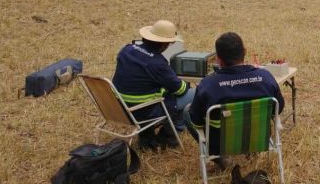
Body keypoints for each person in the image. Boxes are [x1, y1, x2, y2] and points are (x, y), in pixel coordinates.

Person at [185, 32, 285, 166]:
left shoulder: (208, 84)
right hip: (259, 139)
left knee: (187, 111)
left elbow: (196, 121)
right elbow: (278, 108)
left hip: (219, 144)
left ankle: (221, 159)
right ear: (244, 52)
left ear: (218, 59)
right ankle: (252, 149)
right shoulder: (266, 77)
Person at [112, 20, 194, 150]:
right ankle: (168, 136)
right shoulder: (158, 63)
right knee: (194, 93)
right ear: (164, 45)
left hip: (118, 108)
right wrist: (180, 81)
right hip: (144, 112)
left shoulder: (126, 50)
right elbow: (180, 90)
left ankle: (147, 136)